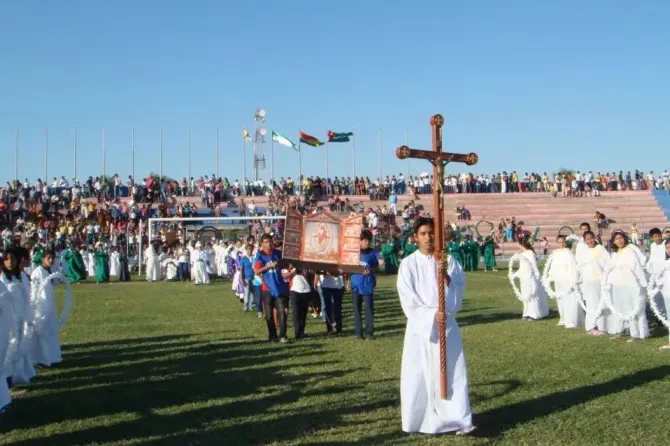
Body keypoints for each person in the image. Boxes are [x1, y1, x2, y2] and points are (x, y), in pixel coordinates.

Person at [397, 217, 475, 435]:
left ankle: (457, 418)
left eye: (432, 233)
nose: (428, 237)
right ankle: (419, 419)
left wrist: (446, 277)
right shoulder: (408, 264)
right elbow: (407, 298)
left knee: (452, 372)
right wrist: (430, 315)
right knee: (419, 374)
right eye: (423, 233)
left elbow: (458, 291)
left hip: (446, 327)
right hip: (420, 328)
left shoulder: (448, 261)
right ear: (415, 238)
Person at [253, 234, 291, 343]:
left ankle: (283, 335)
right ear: (262, 244)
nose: (268, 244)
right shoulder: (260, 256)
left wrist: (288, 266)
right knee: (269, 314)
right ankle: (272, 335)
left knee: (282, 312)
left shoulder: (278, 253)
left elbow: (286, 265)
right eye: (265, 242)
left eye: (270, 241)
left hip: (279, 287)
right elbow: (256, 271)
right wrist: (268, 266)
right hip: (267, 288)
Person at [350, 230, 379, 340]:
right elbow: (349, 267)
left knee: (368, 309)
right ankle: (358, 333)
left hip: (367, 285)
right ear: (360, 242)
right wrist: (348, 282)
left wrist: (371, 270)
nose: (367, 243)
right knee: (357, 309)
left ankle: (369, 333)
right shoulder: (354, 253)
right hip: (356, 284)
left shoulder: (372, 253)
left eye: (369, 241)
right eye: (365, 240)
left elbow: (376, 266)